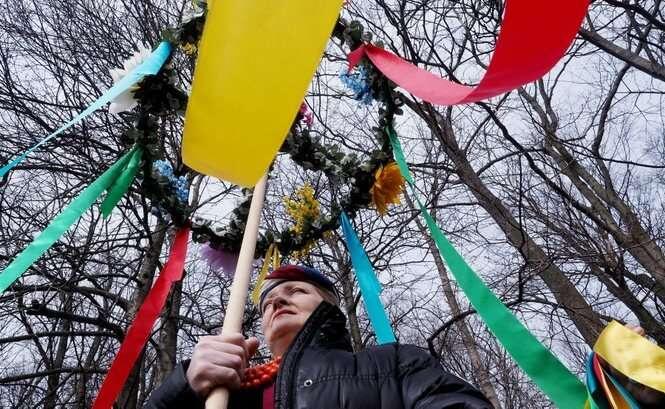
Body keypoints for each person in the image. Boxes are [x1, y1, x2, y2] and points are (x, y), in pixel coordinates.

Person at [145, 264, 493, 408]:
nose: (277, 301)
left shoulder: (394, 363)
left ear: (329, 306)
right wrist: (182, 389)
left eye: (296, 291)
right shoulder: (224, 394)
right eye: (267, 303)